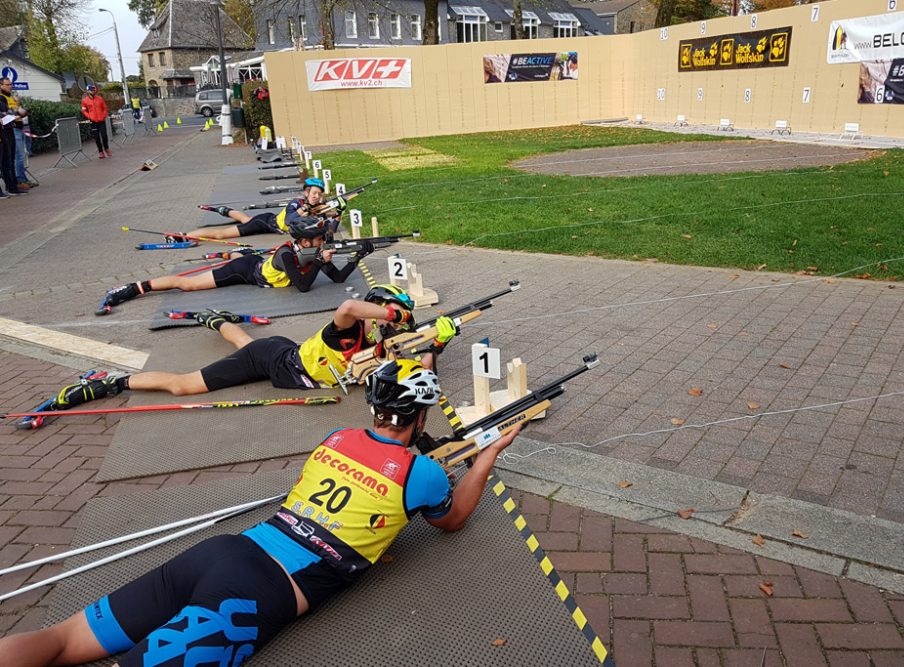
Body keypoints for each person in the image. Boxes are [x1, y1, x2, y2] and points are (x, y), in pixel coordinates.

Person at [0, 358, 520, 667]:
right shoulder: (422, 474)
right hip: (256, 593)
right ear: (420, 416)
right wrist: (487, 455)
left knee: (61, 640)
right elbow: (451, 521)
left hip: (228, 550)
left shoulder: (337, 437)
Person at [64, 285, 455, 402]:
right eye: (389, 313)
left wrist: (434, 345)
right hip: (278, 362)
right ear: (379, 312)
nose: (396, 324)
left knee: (247, 345)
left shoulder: (378, 341)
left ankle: (217, 322)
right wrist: (396, 315)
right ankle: (112, 381)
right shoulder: (350, 328)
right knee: (183, 385)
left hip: (284, 354)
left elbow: (424, 383)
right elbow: (349, 304)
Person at [96, 216, 370, 315]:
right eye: (319, 239)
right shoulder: (287, 254)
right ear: (305, 241)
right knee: (188, 284)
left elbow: (336, 279)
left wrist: (359, 256)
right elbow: (303, 287)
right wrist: (319, 263)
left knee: (242, 259)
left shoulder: (313, 253)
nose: (323, 242)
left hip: (256, 265)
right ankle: (129, 289)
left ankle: (233, 256)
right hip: (246, 272)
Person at [178, 177, 342, 241]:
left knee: (245, 219)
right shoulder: (297, 202)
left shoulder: (317, 208)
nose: (316, 197)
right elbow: (288, 221)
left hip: (269, 218)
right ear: (306, 193)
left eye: (319, 194)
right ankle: (185, 236)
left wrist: (337, 216)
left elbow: (330, 231)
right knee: (222, 234)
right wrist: (304, 209)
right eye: (313, 193)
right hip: (265, 223)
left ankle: (224, 210)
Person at [0, 80, 29, 190]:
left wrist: (19, 109)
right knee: (17, 156)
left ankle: (15, 182)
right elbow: (6, 112)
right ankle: (19, 180)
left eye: (11, 84)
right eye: (7, 84)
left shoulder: (11, 96)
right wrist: (16, 113)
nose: (10, 86)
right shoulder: (2, 97)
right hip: (9, 128)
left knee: (14, 156)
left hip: (14, 126)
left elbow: (12, 110)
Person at [80, 84, 110, 159]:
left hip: (101, 120)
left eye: (94, 90)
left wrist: (103, 116)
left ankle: (106, 148)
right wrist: (89, 116)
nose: (93, 91)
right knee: (96, 138)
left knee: (104, 136)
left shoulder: (100, 98)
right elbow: (84, 111)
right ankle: (100, 152)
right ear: (88, 91)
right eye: (91, 90)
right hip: (93, 121)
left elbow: (105, 108)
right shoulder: (84, 101)